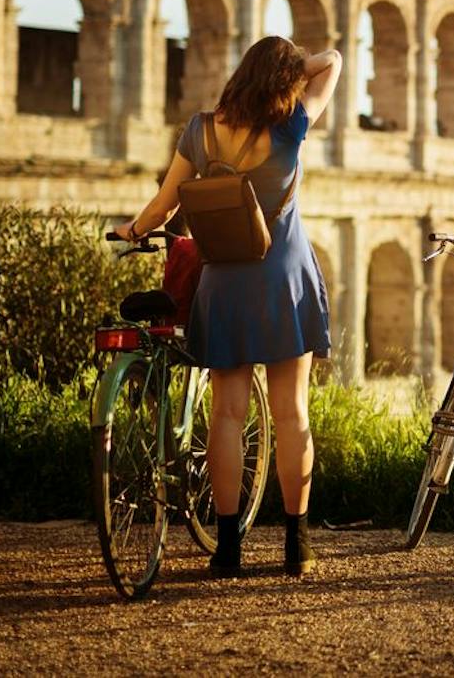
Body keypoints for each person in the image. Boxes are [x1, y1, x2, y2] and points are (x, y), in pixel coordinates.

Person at [115, 36, 341, 577]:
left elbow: (166, 202)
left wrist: (134, 229)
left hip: (224, 284)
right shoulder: (291, 125)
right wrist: (294, 68)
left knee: (226, 416)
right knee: (291, 415)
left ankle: (228, 548)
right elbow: (330, 62)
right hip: (283, 278)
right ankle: (297, 545)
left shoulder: (201, 129)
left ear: (240, 75)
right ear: (284, 82)